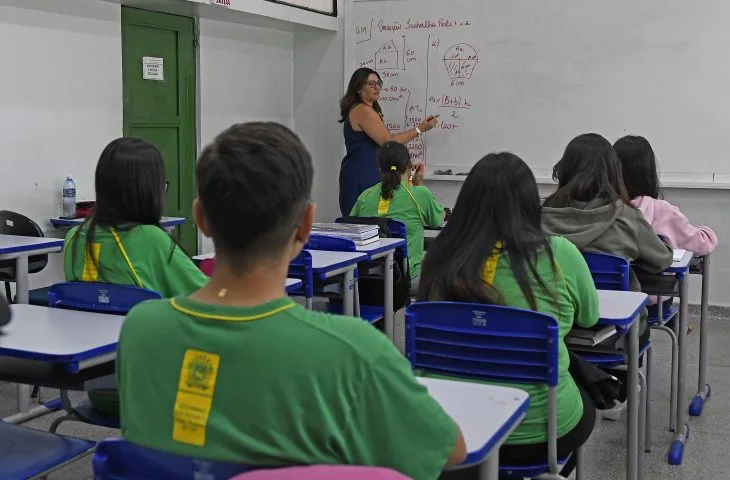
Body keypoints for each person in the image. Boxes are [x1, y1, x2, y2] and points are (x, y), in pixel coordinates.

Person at [118, 122, 467, 478]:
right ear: (306, 225)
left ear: (200, 219)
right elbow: (449, 450)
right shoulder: (356, 350)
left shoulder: (139, 329)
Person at [419, 152, 597, 479]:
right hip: (542, 433)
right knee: (585, 392)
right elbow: (589, 317)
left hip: (452, 432)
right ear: (530, 202)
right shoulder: (559, 253)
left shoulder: (441, 255)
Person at [64, 137, 207, 416]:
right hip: (155, 390)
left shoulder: (73, 238)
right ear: (149, 190)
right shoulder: (151, 240)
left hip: (98, 388)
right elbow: (212, 303)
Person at [541, 133, 673, 420]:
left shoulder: (539, 216)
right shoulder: (625, 216)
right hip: (616, 333)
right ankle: (619, 383)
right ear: (614, 172)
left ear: (563, 169)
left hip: (553, 328)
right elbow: (661, 260)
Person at [614, 135, 718, 315]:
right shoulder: (663, 211)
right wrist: (704, 230)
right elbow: (704, 243)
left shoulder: (603, 210)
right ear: (648, 172)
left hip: (612, 301)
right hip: (653, 304)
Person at [339, 68, 438, 215]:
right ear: (359, 88)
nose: (376, 87)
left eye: (378, 83)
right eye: (371, 83)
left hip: (370, 173)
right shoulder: (362, 110)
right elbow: (387, 142)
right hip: (362, 175)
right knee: (363, 226)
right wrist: (419, 129)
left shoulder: (370, 110)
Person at [350, 142, 444, 292]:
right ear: (410, 167)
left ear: (380, 170)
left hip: (369, 280)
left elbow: (350, 228)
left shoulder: (365, 196)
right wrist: (418, 184)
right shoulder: (419, 194)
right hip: (407, 278)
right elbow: (437, 220)